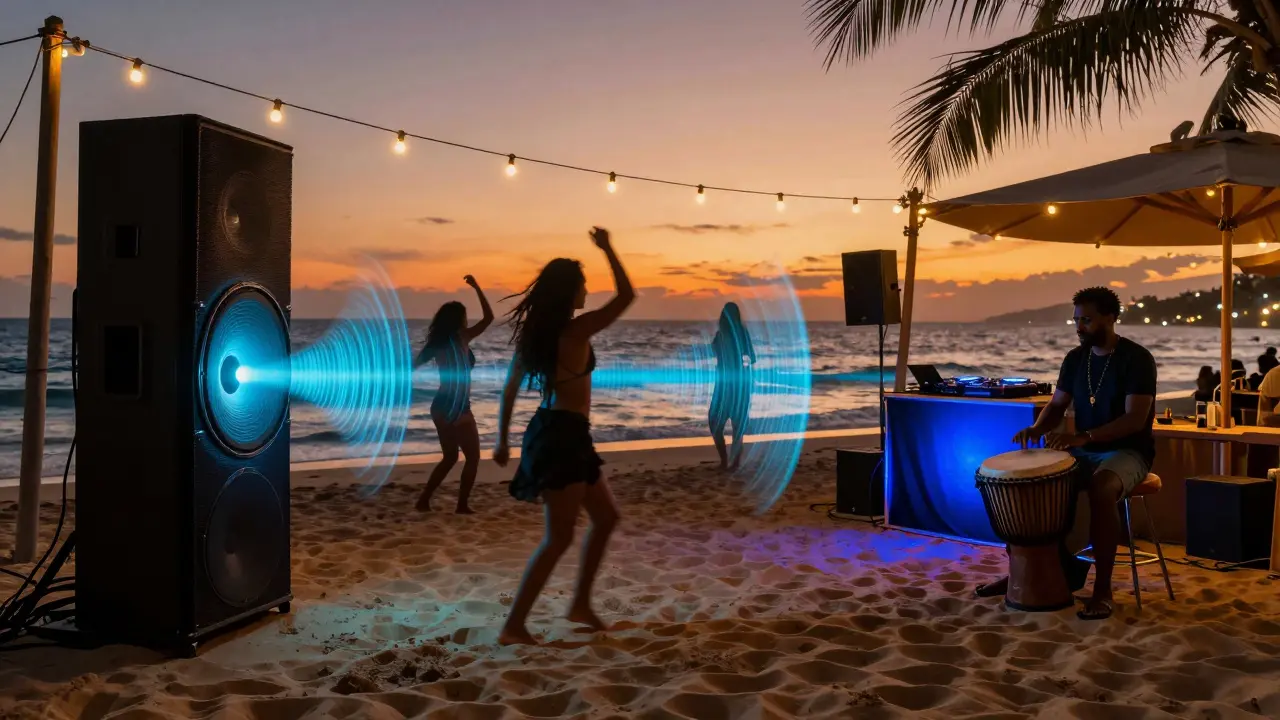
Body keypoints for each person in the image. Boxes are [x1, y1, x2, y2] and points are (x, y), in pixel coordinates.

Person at [493, 227, 634, 646]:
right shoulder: (574, 332)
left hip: (562, 433)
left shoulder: (538, 338)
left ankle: (580, 604)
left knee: (606, 518)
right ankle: (514, 625)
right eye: (583, 284)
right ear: (570, 290)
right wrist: (609, 248)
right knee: (559, 537)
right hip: (560, 437)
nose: (588, 291)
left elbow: (508, 390)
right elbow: (626, 298)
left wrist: (502, 440)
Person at [990, 286, 1157, 620]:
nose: (1079, 327)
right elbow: (1057, 405)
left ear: (1110, 318)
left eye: (1088, 320)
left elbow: (1135, 420)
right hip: (1086, 449)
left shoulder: (1136, 359)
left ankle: (1103, 589)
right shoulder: (1075, 360)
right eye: (1077, 320)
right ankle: (1027, 571)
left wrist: (1083, 437)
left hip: (1128, 451)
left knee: (1101, 488)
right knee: (1032, 483)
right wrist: (1037, 430)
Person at [412, 275, 493, 513]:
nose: (467, 320)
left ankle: (424, 500)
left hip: (442, 404)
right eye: (465, 316)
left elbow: (410, 367)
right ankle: (461, 505)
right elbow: (489, 318)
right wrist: (478, 287)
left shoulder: (437, 343)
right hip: (456, 405)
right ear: (459, 319)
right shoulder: (461, 338)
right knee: (472, 457)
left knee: (450, 458)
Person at [709, 302, 756, 471]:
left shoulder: (721, 336)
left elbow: (714, 354)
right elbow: (752, 358)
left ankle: (726, 461)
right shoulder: (740, 334)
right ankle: (732, 462)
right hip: (738, 385)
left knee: (716, 424)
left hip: (723, 386)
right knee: (736, 426)